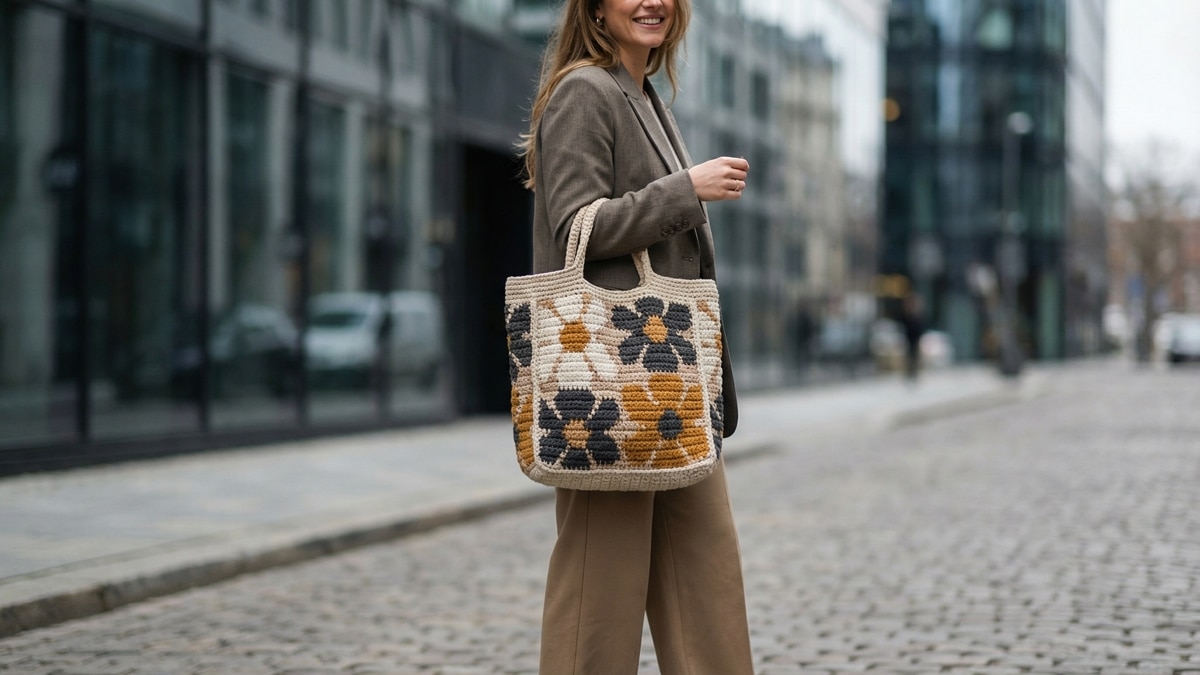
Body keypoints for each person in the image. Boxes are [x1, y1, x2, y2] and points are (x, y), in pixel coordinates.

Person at [518, 0, 755, 672]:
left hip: (673, 387)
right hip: (609, 386)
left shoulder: (646, 94)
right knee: (600, 591)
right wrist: (686, 190)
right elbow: (574, 230)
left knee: (707, 580)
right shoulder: (584, 92)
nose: (652, 1)